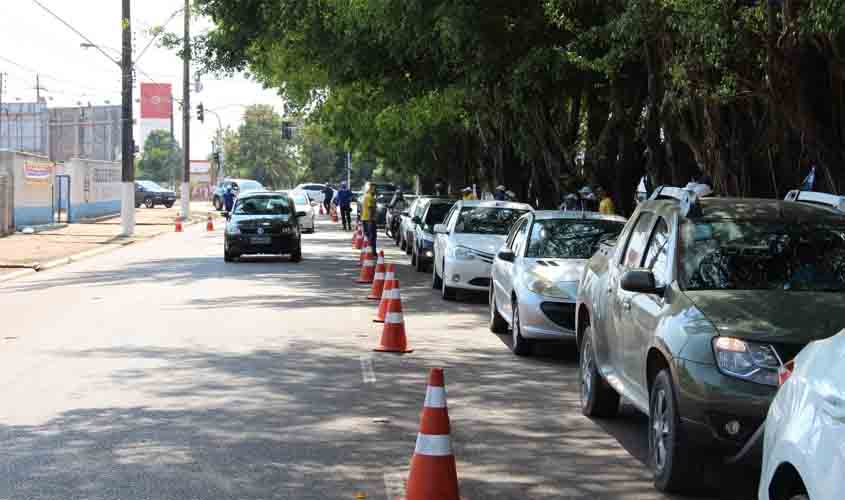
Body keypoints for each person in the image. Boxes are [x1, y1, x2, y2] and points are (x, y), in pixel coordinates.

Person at [360, 182, 378, 256]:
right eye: (375, 189)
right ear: (372, 189)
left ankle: (368, 251)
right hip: (369, 219)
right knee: (372, 236)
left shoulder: (365, 196)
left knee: (368, 235)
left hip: (365, 218)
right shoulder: (370, 197)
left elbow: (362, 208)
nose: (376, 191)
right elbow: (370, 209)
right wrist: (371, 219)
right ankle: (372, 251)